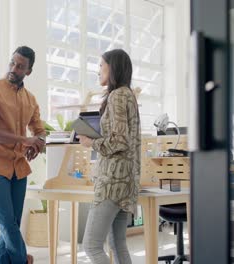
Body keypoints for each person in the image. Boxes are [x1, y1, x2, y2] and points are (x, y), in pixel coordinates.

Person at [0, 46, 46, 264]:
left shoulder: (31, 99)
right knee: (6, 221)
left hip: (19, 167)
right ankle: (23, 260)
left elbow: (40, 130)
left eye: (20, 66)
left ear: (29, 71)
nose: (14, 69)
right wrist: (24, 140)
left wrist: (36, 144)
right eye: (12, 63)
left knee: (12, 223)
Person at [78, 49, 141, 264]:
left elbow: (119, 141)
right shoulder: (128, 95)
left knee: (91, 246)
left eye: (100, 66)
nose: (98, 71)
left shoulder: (117, 96)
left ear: (112, 67)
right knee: (117, 244)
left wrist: (90, 142)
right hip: (126, 181)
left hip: (112, 182)